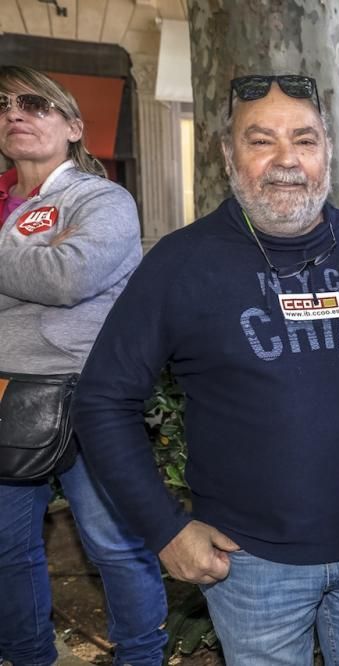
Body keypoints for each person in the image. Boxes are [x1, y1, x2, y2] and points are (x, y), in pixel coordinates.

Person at [71, 74, 339, 664]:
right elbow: (102, 399)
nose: (286, 160)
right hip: (251, 569)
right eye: (261, 141)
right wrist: (164, 528)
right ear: (228, 154)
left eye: (304, 139)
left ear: (327, 151)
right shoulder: (181, 262)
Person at [0, 66, 167, 665]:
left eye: (34, 103)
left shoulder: (103, 199)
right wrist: (26, 268)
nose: (15, 112)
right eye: (3, 104)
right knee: (5, 548)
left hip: (87, 393)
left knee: (116, 546)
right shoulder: (2, 200)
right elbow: (43, 272)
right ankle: (26, 657)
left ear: (73, 126)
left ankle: (141, 658)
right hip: (5, 394)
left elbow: (69, 276)